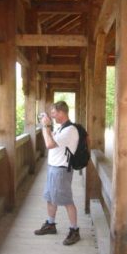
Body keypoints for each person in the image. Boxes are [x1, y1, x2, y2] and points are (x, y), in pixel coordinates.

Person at [34, 101, 80, 245]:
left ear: (61, 112)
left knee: (66, 200)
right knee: (50, 197)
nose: (52, 116)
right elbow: (49, 139)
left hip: (61, 169)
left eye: (54, 113)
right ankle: (50, 224)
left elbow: (49, 144)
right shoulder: (61, 128)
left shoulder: (70, 130)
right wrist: (45, 127)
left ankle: (74, 230)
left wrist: (46, 126)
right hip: (53, 167)